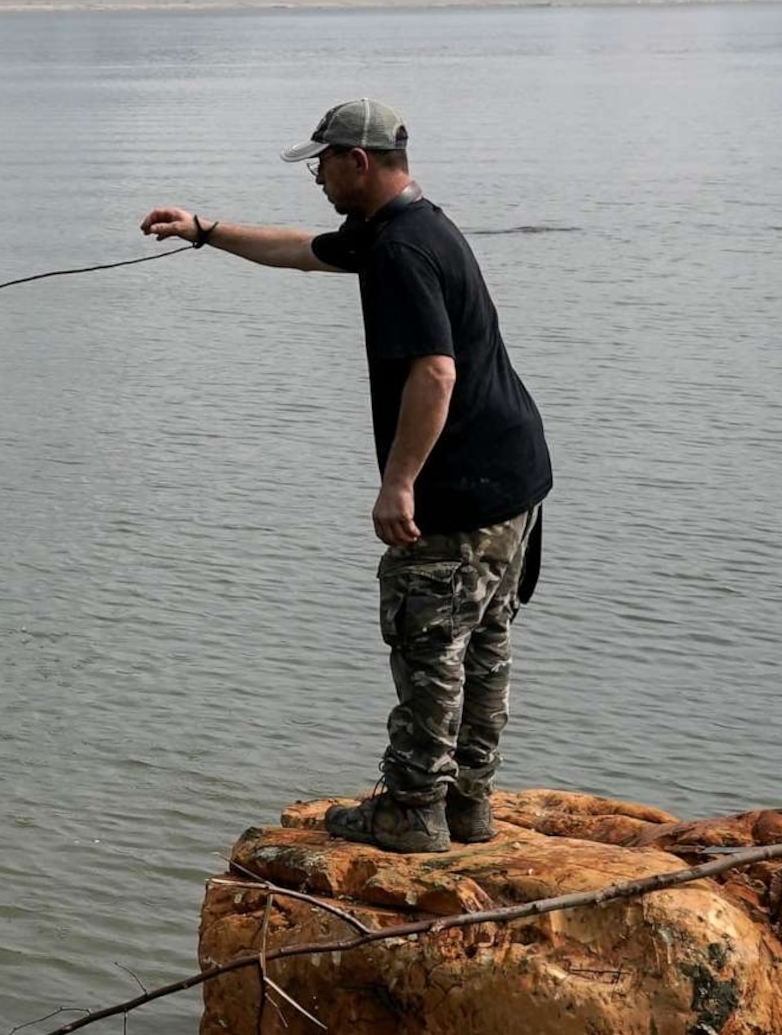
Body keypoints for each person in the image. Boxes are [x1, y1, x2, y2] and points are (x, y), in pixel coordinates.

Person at [141, 99, 553, 854]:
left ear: (357, 162)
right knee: (486, 641)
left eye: (323, 163)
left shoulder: (400, 252)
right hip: (515, 475)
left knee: (431, 644)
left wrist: (400, 484)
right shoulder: (412, 226)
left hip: (458, 489)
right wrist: (205, 232)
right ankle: (469, 805)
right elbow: (303, 251)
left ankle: (412, 812)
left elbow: (435, 371)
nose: (319, 178)